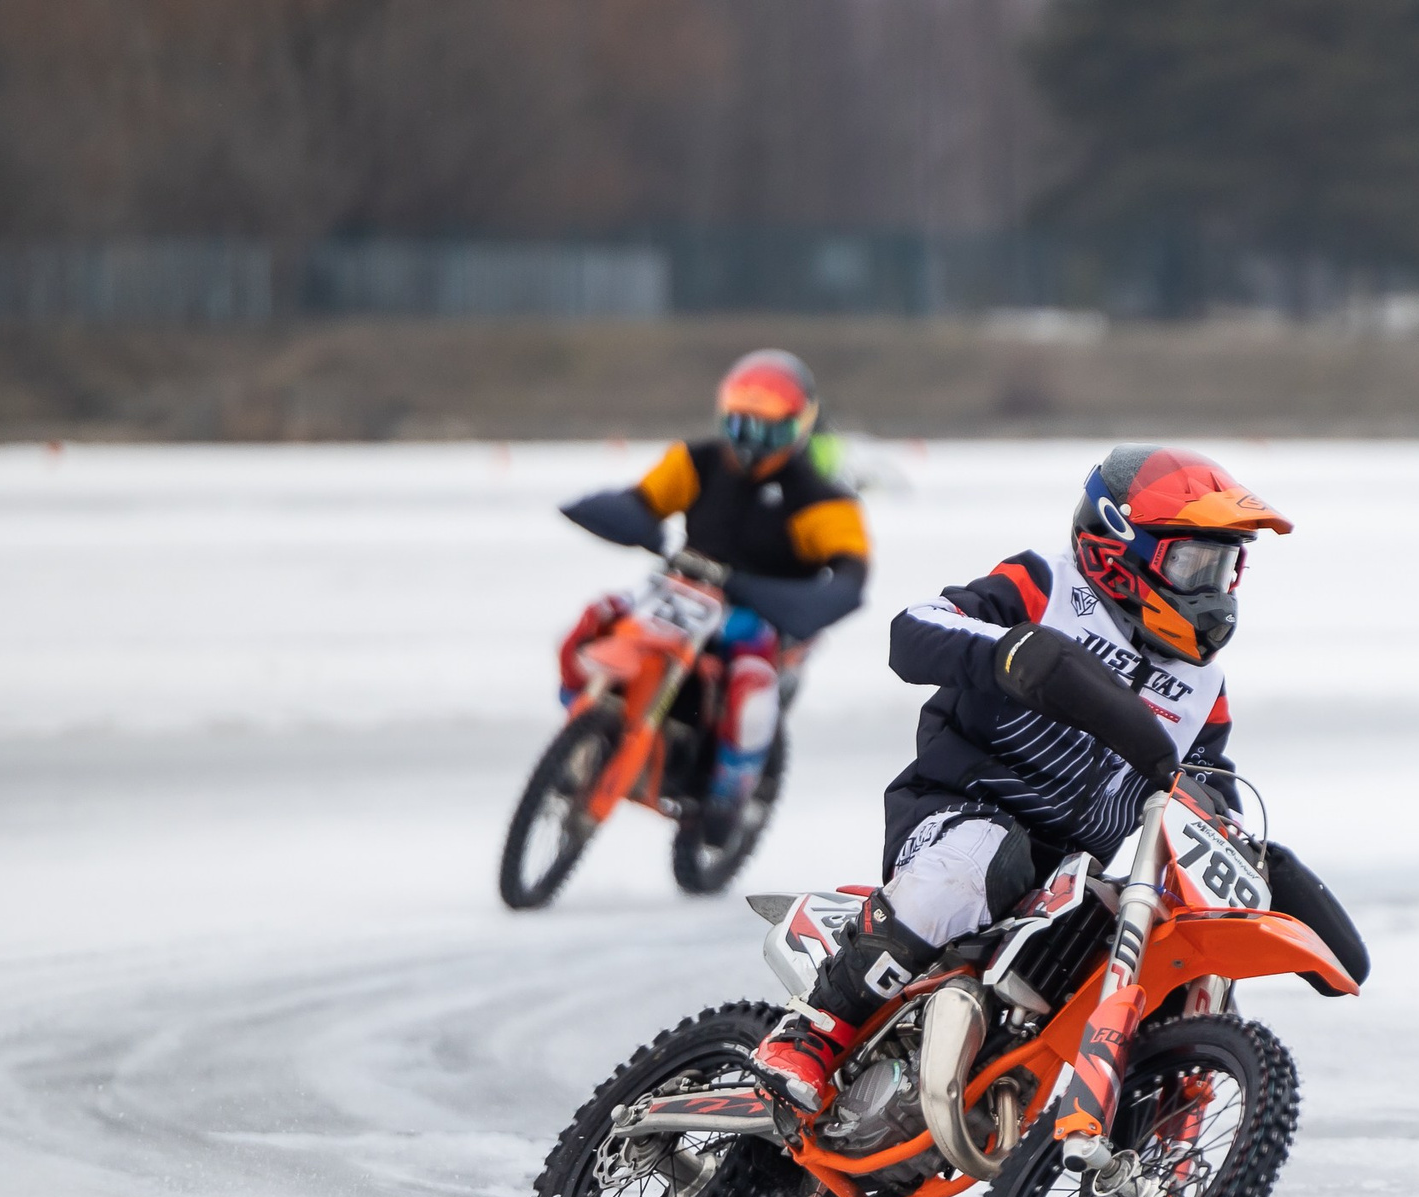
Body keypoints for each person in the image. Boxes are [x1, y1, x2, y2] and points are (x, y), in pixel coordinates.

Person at [749, 443, 1368, 1111]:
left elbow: (1209, 783)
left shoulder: (1203, 691)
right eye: (1192, 563)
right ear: (1117, 552)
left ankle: (1147, 1152)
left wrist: (1244, 847)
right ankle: (812, 1031)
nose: (1212, 591)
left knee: (1168, 946)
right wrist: (1007, 651)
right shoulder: (1045, 586)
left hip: (1067, 872)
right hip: (956, 809)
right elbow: (913, 630)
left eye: (1223, 567)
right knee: (982, 855)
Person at [557, 349, 869, 839]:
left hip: (762, 613)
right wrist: (633, 523)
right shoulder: (697, 462)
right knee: (596, 620)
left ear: (798, 427)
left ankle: (729, 792)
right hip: (681, 592)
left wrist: (800, 601)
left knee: (750, 688)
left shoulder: (819, 497)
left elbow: (850, 573)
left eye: (768, 429)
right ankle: (579, 729)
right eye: (742, 426)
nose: (751, 443)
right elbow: (644, 500)